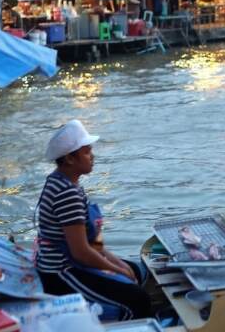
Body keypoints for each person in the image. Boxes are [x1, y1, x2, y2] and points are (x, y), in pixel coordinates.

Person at [35, 120, 151, 321]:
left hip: (75, 261)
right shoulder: (66, 193)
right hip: (61, 272)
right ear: (70, 159)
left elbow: (94, 245)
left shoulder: (66, 183)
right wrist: (117, 270)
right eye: (87, 152)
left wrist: (121, 267)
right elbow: (80, 252)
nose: (92, 156)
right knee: (138, 300)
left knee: (137, 271)